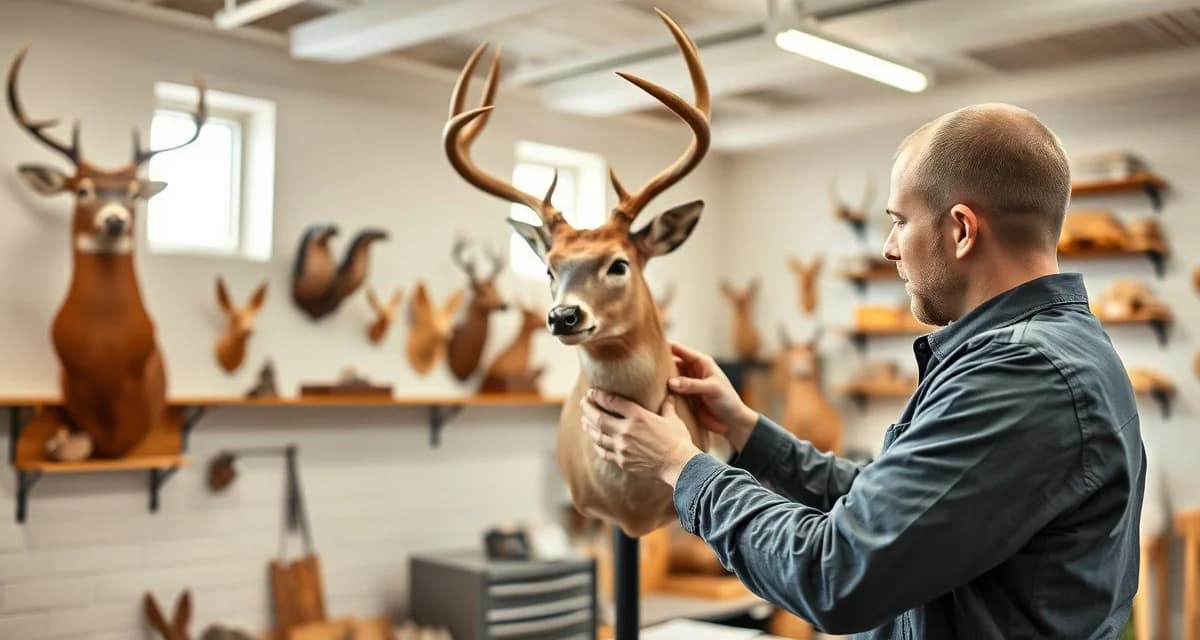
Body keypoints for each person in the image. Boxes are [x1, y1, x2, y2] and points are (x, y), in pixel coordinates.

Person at [580, 103, 1146, 638]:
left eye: (899, 221)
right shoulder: (1050, 352)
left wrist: (683, 468)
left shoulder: (1023, 375)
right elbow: (895, 514)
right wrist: (745, 429)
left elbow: (837, 571)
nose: (889, 248)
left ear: (961, 229)